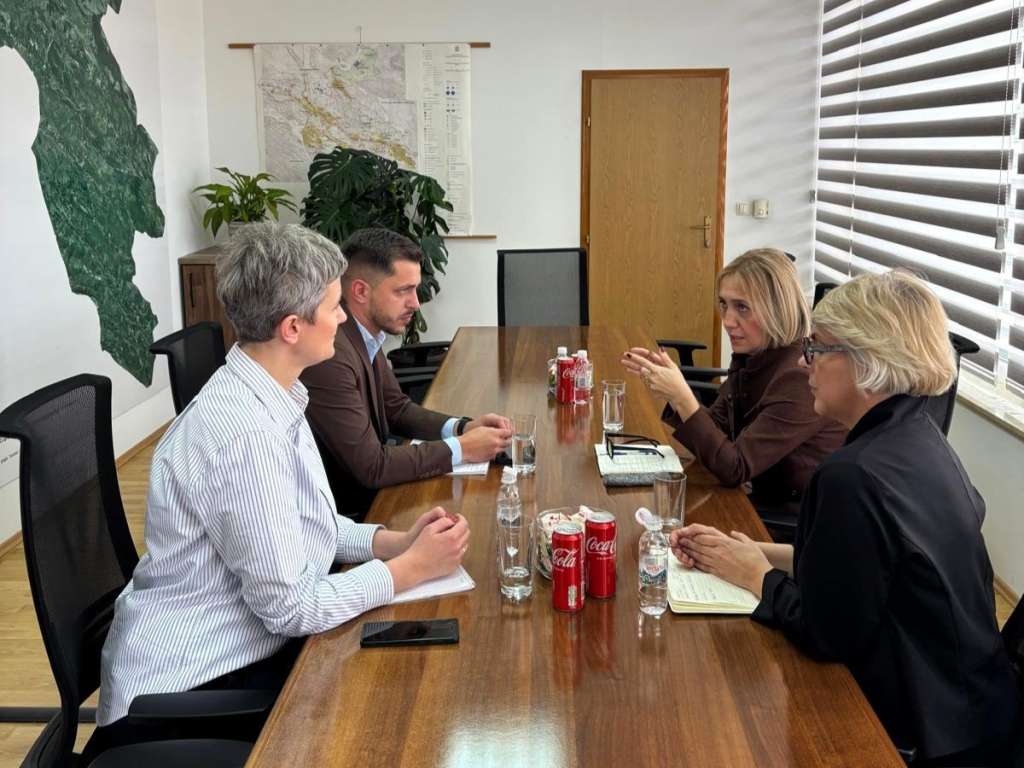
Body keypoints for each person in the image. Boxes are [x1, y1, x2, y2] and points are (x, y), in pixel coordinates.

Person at [96, 223, 470, 735]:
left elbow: (308, 523)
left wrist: (394, 543)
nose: (344, 318)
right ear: (292, 328)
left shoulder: (275, 394)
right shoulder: (245, 436)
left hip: (243, 651)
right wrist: (410, 569)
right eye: (334, 307)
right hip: (190, 686)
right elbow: (293, 608)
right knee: (395, 715)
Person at [671, 270, 1021, 766]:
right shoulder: (920, 437)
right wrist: (754, 553)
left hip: (923, 735)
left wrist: (755, 576)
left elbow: (826, 635)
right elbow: (874, 568)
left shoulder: (851, 476)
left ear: (868, 364)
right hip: (980, 711)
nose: (803, 362)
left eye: (816, 348)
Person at [621, 248, 845, 531]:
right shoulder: (756, 356)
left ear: (777, 309)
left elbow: (735, 468)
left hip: (788, 523)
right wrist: (672, 391)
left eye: (742, 307)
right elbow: (719, 427)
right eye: (724, 304)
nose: (727, 321)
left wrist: (682, 396)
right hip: (753, 498)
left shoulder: (800, 375)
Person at [302, 227, 512, 521]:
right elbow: (372, 466)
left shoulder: (363, 335)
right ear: (360, 291)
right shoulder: (331, 354)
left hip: (376, 496)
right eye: (403, 291)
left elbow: (396, 408)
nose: (415, 303)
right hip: (351, 516)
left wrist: (462, 428)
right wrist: (462, 448)